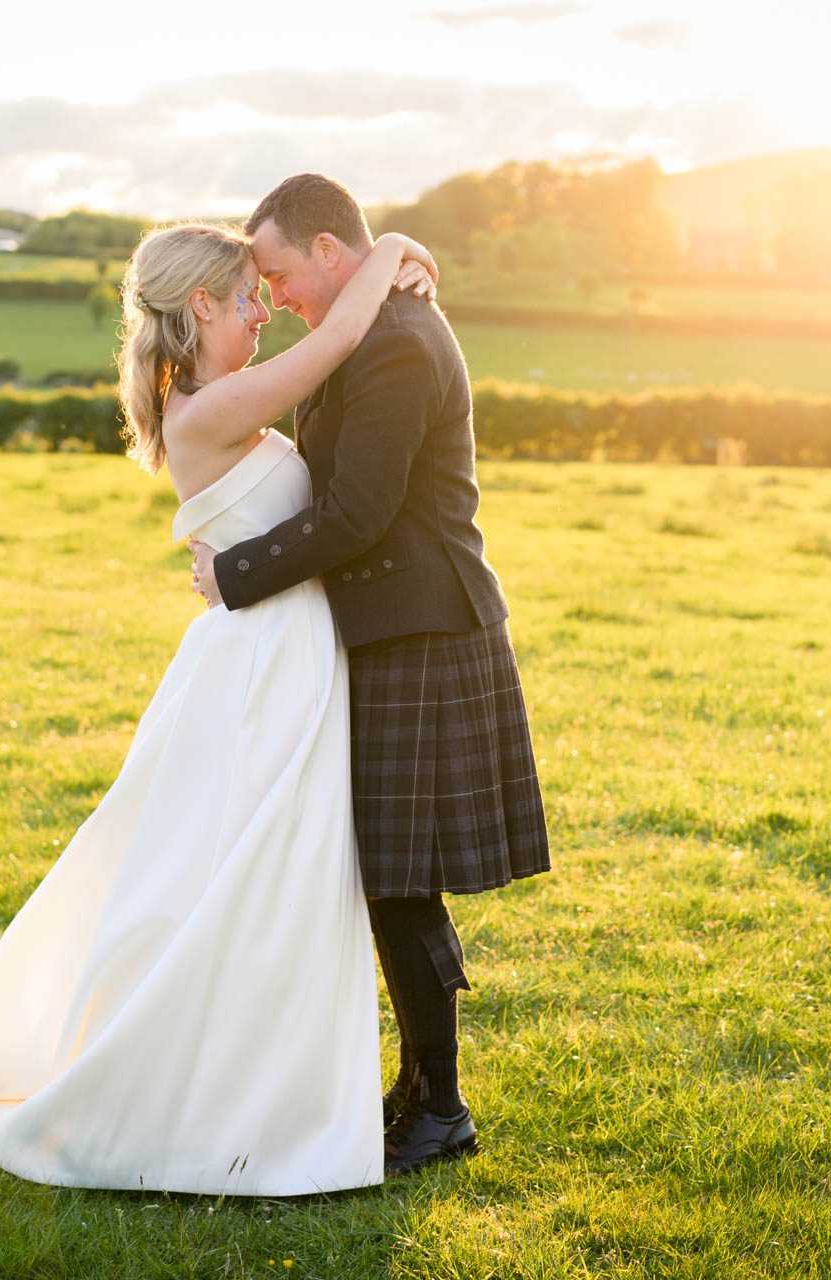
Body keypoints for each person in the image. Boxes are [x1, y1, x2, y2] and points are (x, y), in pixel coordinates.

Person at [0, 218, 439, 1195]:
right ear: (200, 306)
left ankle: (258, 1079)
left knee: (255, 875)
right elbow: (333, 344)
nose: (261, 312)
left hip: (281, 656)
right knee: (234, 872)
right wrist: (395, 244)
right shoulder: (207, 406)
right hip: (260, 671)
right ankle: (193, 1083)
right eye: (246, 298)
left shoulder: (218, 400)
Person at [191, 172, 551, 1178]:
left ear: (328, 253)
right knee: (392, 874)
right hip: (396, 631)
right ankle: (422, 1089)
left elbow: (359, 515)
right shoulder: (372, 318)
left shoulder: (396, 343)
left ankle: (440, 1105)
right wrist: (398, 246)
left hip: (427, 632)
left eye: (278, 273)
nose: (277, 295)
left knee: (400, 879)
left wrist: (238, 572)